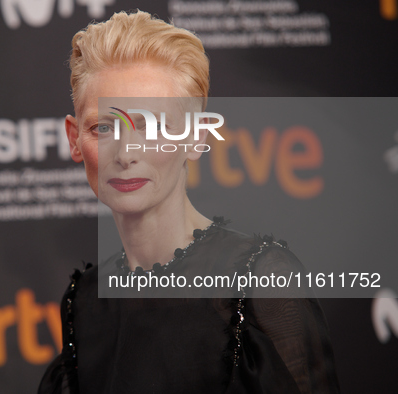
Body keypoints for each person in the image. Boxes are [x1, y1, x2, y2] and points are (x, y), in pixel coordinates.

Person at [39, 10, 339, 393]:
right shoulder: (84, 301)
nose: (127, 152)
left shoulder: (259, 281)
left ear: (197, 138)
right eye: (104, 127)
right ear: (74, 138)